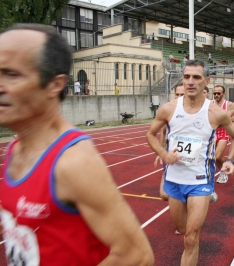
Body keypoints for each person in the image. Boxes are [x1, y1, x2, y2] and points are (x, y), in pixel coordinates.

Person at [0, 23, 154, 265]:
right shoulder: (14, 150)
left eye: (12, 74)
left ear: (55, 84)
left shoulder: (73, 162)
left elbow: (137, 255)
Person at [146, 59, 234, 266]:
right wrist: (163, 154)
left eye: (196, 77)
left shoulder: (216, 113)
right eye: (187, 76)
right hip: (174, 179)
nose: (190, 81)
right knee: (181, 229)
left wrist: (231, 160)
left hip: (200, 181)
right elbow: (151, 135)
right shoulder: (168, 109)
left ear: (206, 81)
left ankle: (202, 206)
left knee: (191, 236)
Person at [154, 82, 185, 201]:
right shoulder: (169, 110)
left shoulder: (195, 111)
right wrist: (161, 152)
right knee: (164, 195)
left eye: (182, 94)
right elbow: (162, 131)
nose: (179, 97)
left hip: (191, 157)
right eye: (177, 94)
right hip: (171, 154)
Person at [212, 85, 233, 184]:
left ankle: (223, 172)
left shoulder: (229, 105)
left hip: (223, 132)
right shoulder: (210, 104)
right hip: (212, 132)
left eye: (218, 93)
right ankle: (223, 169)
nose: (216, 95)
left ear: (223, 94)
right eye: (215, 93)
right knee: (213, 156)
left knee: (218, 155)